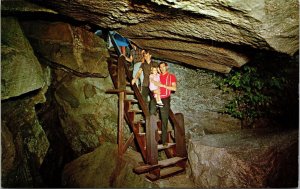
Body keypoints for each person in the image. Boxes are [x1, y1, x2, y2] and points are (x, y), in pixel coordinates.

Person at [150, 62, 177, 146]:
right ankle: (153, 134)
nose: (161, 68)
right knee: (151, 111)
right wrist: (153, 90)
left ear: (166, 67)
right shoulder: (157, 75)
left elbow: (174, 88)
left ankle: (164, 140)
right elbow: (151, 85)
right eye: (160, 67)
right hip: (156, 97)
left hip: (165, 99)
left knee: (164, 118)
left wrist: (163, 85)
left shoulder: (171, 76)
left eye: (163, 67)